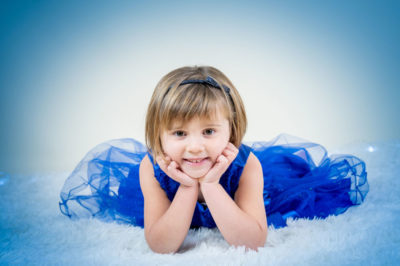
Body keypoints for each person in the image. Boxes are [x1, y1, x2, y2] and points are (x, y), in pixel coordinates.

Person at [59, 66, 369, 253]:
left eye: (209, 131)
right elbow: (161, 246)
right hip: (175, 197)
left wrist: (210, 184)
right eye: (179, 134)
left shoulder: (247, 165)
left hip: (249, 196)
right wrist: (187, 188)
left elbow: (252, 243)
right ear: (158, 136)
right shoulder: (150, 168)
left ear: (232, 130)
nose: (195, 147)